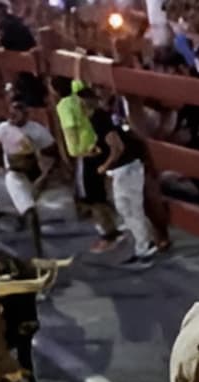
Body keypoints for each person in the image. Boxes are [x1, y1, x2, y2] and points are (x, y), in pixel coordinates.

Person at [82, 89, 160, 264]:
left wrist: (104, 166)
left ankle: (145, 246)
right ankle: (144, 244)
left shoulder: (98, 119)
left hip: (126, 167)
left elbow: (117, 147)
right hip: (126, 167)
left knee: (131, 207)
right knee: (127, 207)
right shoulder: (101, 117)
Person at [51, 79, 122, 253]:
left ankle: (109, 235)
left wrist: (73, 153)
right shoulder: (82, 99)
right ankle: (111, 229)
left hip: (86, 154)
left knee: (91, 199)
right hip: (95, 149)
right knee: (96, 196)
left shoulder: (66, 105)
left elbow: (70, 130)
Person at [0, 97, 56, 256]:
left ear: (26, 115)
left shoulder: (37, 131)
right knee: (31, 213)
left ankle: (10, 215)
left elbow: (51, 152)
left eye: (16, 114)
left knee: (28, 208)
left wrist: (45, 175)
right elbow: (1, 145)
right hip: (15, 175)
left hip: (33, 174)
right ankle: (38, 252)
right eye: (10, 113)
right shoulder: (3, 128)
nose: (12, 117)